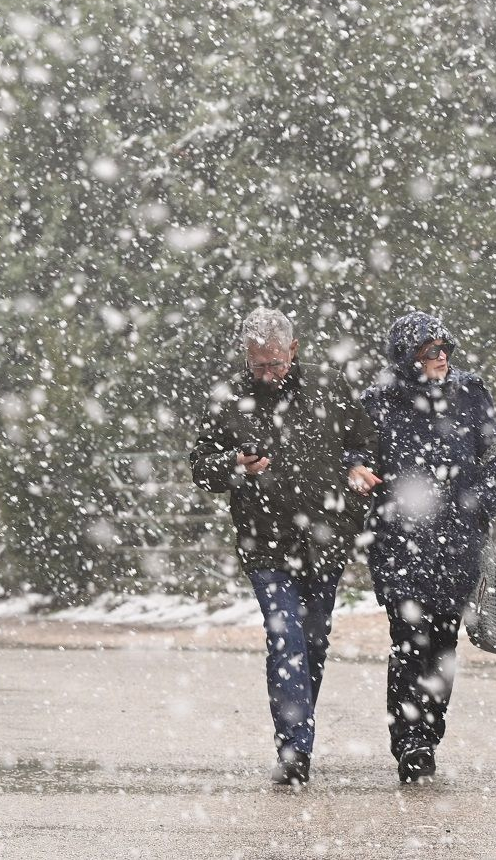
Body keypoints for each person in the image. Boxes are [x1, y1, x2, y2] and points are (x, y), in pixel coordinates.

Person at [189, 308, 382, 787]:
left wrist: (358, 467)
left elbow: (363, 442)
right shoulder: (229, 399)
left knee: (312, 640)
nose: (269, 374)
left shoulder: (329, 386)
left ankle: (297, 735)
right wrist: (234, 464)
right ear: (246, 358)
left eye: (276, 363)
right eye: (259, 366)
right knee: (286, 639)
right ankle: (295, 748)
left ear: (293, 351)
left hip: (326, 537)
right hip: (266, 542)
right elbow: (201, 466)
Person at [361, 311, 496, 784]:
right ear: (407, 357)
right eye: (430, 350)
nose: (441, 356)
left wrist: (478, 504)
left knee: (444, 641)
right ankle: (408, 741)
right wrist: (361, 473)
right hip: (399, 542)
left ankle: (429, 732)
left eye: (444, 346)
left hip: (458, 541)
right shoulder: (380, 400)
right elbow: (357, 454)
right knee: (409, 640)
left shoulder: (471, 391)